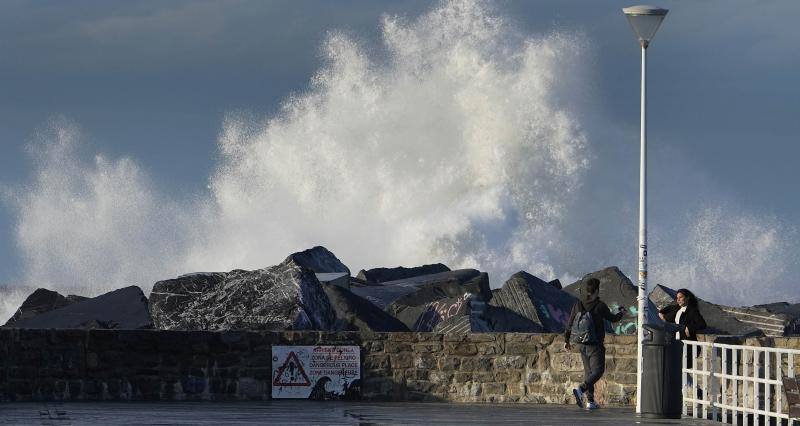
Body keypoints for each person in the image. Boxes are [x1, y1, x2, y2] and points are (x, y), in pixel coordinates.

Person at [564, 277, 625, 410]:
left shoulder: (578, 304)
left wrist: (566, 341)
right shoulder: (600, 305)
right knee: (598, 371)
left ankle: (590, 401)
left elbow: (569, 324)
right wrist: (621, 313)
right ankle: (581, 389)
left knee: (589, 372)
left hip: (581, 343)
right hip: (594, 344)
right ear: (597, 290)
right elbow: (613, 319)